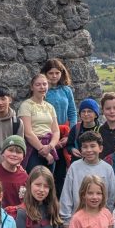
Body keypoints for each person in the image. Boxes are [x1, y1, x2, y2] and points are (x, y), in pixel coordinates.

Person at [59, 131, 115, 225]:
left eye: (93, 146)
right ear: (81, 149)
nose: (89, 150)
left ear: (100, 148)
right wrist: (66, 220)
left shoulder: (107, 169)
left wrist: (107, 217)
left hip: (99, 221)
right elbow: (66, 195)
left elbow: (111, 196)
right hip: (77, 221)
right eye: (85, 147)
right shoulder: (74, 167)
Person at [43, 58, 77, 193]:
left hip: (64, 133)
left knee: (61, 171)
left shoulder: (66, 90)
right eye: (51, 73)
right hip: (48, 134)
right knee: (48, 170)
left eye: (57, 73)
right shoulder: (43, 91)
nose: (54, 76)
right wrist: (53, 139)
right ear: (45, 74)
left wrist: (70, 135)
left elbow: (72, 112)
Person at [19, 73, 60, 172]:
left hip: (50, 147)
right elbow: (28, 133)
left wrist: (50, 147)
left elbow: (56, 131)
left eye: (44, 84)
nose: (42, 87)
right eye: (38, 85)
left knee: (49, 183)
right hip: (33, 149)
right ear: (32, 87)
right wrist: (43, 151)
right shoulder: (26, 106)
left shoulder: (50, 107)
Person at [0, 135, 28, 213]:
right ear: (3, 153)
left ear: (23, 156)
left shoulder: (25, 177)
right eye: (10, 150)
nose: (14, 154)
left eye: (18, 152)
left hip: (17, 219)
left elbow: (27, 202)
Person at [64, 98, 101, 163]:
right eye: (83, 111)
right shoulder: (76, 128)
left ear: (96, 115)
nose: (86, 114)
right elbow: (69, 145)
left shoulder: (101, 129)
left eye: (89, 111)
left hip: (96, 163)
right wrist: (72, 150)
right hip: (78, 163)